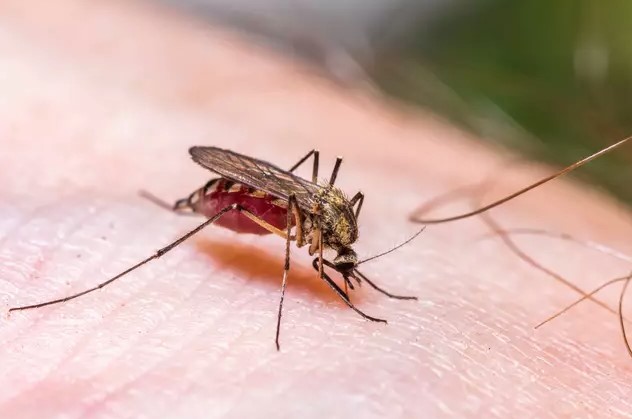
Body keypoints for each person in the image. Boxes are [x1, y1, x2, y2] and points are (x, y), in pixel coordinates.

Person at [1, 1, 630, 417]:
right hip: (246, 193)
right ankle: (140, 253)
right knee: (295, 201)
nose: (344, 268)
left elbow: (333, 227)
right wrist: (286, 272)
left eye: (347, 265)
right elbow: (303, 222)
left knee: (315, 186)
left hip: (292, 200)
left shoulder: (338, 234)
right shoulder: (317, 230)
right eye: (347, 265)